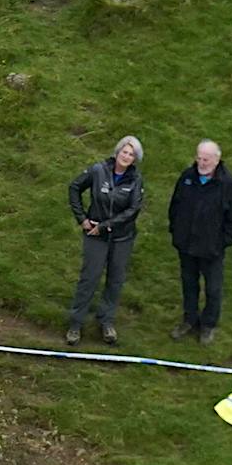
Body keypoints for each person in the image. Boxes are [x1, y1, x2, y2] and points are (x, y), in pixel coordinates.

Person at [65, 136, 144, 345]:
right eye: (124, 152)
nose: (126, 156)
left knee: (115, 279)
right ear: (117, 152)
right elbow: (74, 187)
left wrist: (106, 225)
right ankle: (75, 323)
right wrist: (81, 218)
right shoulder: (98, 170)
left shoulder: (135, 180)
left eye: (131, 154)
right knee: (89, 277)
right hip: (95, 237)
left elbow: (133, 209)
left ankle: (106, 320)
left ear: (135, 159)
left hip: (122, 237)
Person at [168, 140, 232, 347]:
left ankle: (208, 325)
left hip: (212, 250)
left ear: (217, 160)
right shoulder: (187, 177)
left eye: (206, 159)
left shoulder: (228, 185)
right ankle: (189, 320)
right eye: (199, 158)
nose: (202, 163)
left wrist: (220, 244)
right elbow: (175, 206)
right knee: (189, 284)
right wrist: (177, 233)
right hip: (186, 246)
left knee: (213, 289)